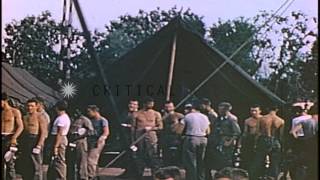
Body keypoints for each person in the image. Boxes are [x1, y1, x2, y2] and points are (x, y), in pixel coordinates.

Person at [205, 102, 241, 178]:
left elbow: (237, 132)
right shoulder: (218, 118)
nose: (220, 111)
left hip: (226, 142)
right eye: (219, 109)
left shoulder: (232, 119)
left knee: (226, 161)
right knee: (217, 160)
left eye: (222, 110)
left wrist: (230, 142)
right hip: (217, 141)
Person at [249, 106, 284, 179]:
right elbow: (281, 135)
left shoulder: (262, 119)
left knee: (258, 160)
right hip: (275, 140)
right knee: (275, 162)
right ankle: (274, 177)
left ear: (267, 109)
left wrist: (255, 143)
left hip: (264, 139)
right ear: (277, 109)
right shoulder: (281, 120)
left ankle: (254, 177)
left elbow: (258, 132)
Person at [131, 97, 163, 178]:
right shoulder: (136, 114)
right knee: (140, 157)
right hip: (139, 139)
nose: (151, 105)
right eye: (149, 103)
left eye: (152, 103)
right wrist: (133, 141)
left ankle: (155, 176)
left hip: (152, 138)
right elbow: (133, 129)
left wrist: (151, 128)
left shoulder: (156, 114)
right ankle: (139, 176)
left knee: (153, 156)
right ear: (144, 104)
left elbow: (161, 127)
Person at [181, 100, 210, 180]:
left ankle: (191, 178)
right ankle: (201, 178)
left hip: (191, 138)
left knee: (190, 161)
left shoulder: (188, 116)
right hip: (203, 139)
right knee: (201, 161)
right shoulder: (205, 117)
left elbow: (179, 130)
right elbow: (208, 131)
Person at [19, 98, 48, 180]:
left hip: (35, 140)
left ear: (36, 106)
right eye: (28, 106)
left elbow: (43, 132)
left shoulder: (40, 117)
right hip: (26, 140)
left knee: (36, 164)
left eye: (32, 106)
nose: (29, 108)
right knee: (26, 163)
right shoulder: (25, 117)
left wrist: (39, 145)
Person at [1, 93, 24, 180]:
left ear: (5, 101)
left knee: (9, 163)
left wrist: (14, 137)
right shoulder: (2, 112)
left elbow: (20, 126)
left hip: (9, 137)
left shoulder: (15, 111)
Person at [68, 109, 94, 180]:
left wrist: (82, 134)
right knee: (72, 161)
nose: (76, 113)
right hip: (72, 142)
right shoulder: (72, 119)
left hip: (81, 142)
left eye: (77, 112)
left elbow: (91, 131)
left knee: (82, 161)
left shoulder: (85, 120)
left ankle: (83, 177)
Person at [48, 100, 71, 180]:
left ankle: (61, 177)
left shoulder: (62, 118)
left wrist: (56, 146)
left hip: (59, 139)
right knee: (55, 160)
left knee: (59, 160)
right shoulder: (61, 117)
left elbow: (60, 133)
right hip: (57, 138)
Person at [117, 99, 139, 178]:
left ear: (137, 106)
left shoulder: (138, 114)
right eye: (130, 104)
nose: (131, 106)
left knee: (134, 155)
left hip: (135, 138)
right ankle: (127, 171)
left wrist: (127, 126)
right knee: (126, 155)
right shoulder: (125, 113)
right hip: (126, 137)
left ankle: (136, 173)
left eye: (134, 104)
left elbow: (138, 126)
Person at [86, 105, 109, 179]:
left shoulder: (102, 120)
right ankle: (95, 175)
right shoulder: (90, 120)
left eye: (89, 112)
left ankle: (91, 176)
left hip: (98, 141)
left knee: (91, 160)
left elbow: (106, 131)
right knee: (93, 160)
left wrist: (102, 138)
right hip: (90, 140)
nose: (88, 113)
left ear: (95, 111)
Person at [161, 101, 184, 166]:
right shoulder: (162, 116)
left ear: (173, 107)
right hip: (165, 136)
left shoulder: (179, 115)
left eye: (170, 106)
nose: (168, 108)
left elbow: (184, 124)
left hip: (176, 136)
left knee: (175, 152)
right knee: (166, 153)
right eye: (167, 107)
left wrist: (180, 131)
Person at [241, 105, 263, 170]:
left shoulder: (264, 119)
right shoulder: (248, 121)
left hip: (261, 139)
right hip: (250, 139)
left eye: (255, 111)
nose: (253, 112)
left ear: (259, 111)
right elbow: (245, 133)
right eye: (252, 111)